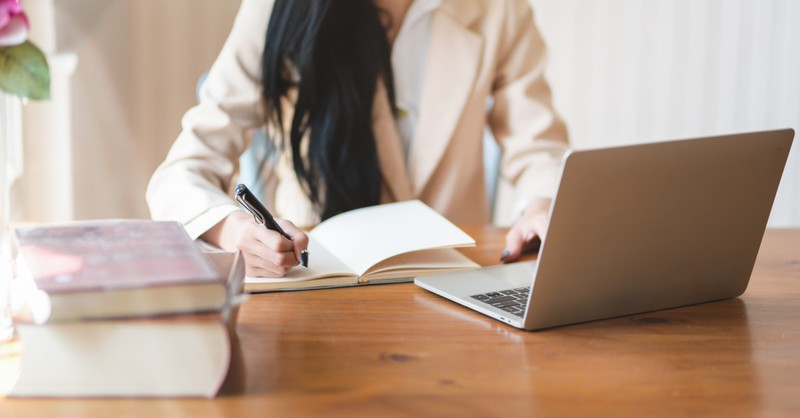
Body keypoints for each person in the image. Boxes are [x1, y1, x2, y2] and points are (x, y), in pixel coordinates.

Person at [147, 0, 569, 278]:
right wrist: (233, 230)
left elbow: (537, 148)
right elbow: (182, 172)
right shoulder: (276, 9)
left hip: (452, 282)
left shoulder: (498, 10)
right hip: (318, 284)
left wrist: (541, 204)